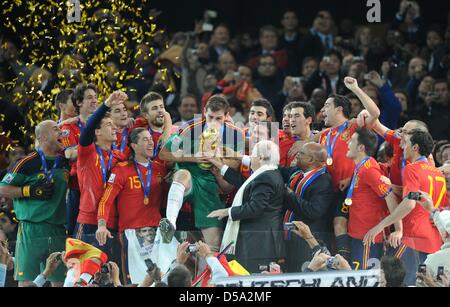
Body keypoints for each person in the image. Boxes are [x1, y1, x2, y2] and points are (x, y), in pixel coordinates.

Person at [364, 129, 448, 286]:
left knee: (394, 281)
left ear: (415, 147)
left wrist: (382, 224)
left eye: (406, 143)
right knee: (425, 284)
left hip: (412, 238)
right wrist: (394, 187)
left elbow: (410, 202)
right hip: (434, 241)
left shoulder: (411, 169)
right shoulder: (438, 174)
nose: (403, 148)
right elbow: (419, 196)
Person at [159, 95, 244, 250]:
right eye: (210, 116)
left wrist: (217, 159)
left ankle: (211, 273)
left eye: (218, 118)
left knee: (214, 246)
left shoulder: (236, 133)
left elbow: (236, 163)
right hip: (190, 176)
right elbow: (163, 153)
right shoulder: (189, 128)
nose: (213, 122)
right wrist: (194, 158)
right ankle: (169, 222)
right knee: (182, 175)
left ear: (226, 116)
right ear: (204, 112)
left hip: (211, 186)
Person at [95, 127, 170, 284]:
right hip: (131, 235)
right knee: (136, 280)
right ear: (134, 146)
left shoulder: (160, 169)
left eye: (151, 139)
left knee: (161, 279)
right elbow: (105, 200)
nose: (150, 142)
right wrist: (102, 225)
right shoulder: (121, 170)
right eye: (145, 139)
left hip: (157, 233)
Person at [0, 120, 69, 287]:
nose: (61, 132)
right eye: (55, 129)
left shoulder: (65, 161)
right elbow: (3, 188)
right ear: (43, 137)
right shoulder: (27, 162)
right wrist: (29, 191)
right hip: (31, 229)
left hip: (58, 228)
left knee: (60, 282)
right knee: (26, 281)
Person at [208, 140, 285, 273]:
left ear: (260, 158)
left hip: (258, 243)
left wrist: (228, 211)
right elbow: (245, 185)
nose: (250, 160)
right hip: (260, 242)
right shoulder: (269, 173)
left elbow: (255, 208)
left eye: (252, 157)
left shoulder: (266, 177)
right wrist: (221, 166)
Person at [74, 91, 127, 251]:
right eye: (109, 125)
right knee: (83, 270)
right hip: (88, 221)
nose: (114, 128)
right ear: (97, 132)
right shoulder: (87, 153)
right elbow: (88, 128)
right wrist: (106, 105)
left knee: (111, 272)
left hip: (112, 221)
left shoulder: (119, 156)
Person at [345, 128, 402, 270]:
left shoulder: (369, 169)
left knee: (364, 281)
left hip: (368, 238)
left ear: (361, 147)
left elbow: (390, 196)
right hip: (359, 234)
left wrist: (398, 229)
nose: (347, 143)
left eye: (351, 140)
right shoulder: (360, 166)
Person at [281, 142, 334, 272]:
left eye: (301, 153)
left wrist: (289, 194)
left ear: (310, 160)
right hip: (289, 239)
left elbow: (313, 211)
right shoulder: (297, 173)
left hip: (307, 243)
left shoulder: (324, 181)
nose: (297, 155)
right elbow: (277, 169)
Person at [60, 83, 99, 237]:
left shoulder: (104, 123)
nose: (95, 101)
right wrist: (92, 143)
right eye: (90, 97)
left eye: (96, 97)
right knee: (74, 233)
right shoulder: (69, 128)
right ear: (79, 102)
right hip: (78, 188)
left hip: (100, 184)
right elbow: (70, 154)